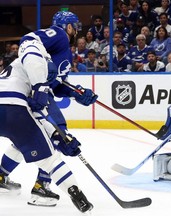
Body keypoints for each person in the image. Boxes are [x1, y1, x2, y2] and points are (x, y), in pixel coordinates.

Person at [0, 11, 97, 208]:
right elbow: (29, 40)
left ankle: (2, 175)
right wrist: (41, 84)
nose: (77, 29)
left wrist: (76, 93)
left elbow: (56, 84)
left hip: (26, 94)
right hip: (30, 93)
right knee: (58, 133)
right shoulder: (59, 35)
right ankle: (42, 185)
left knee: (27, 139)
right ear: (68, 26)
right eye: (74, 25)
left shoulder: (65, 54)